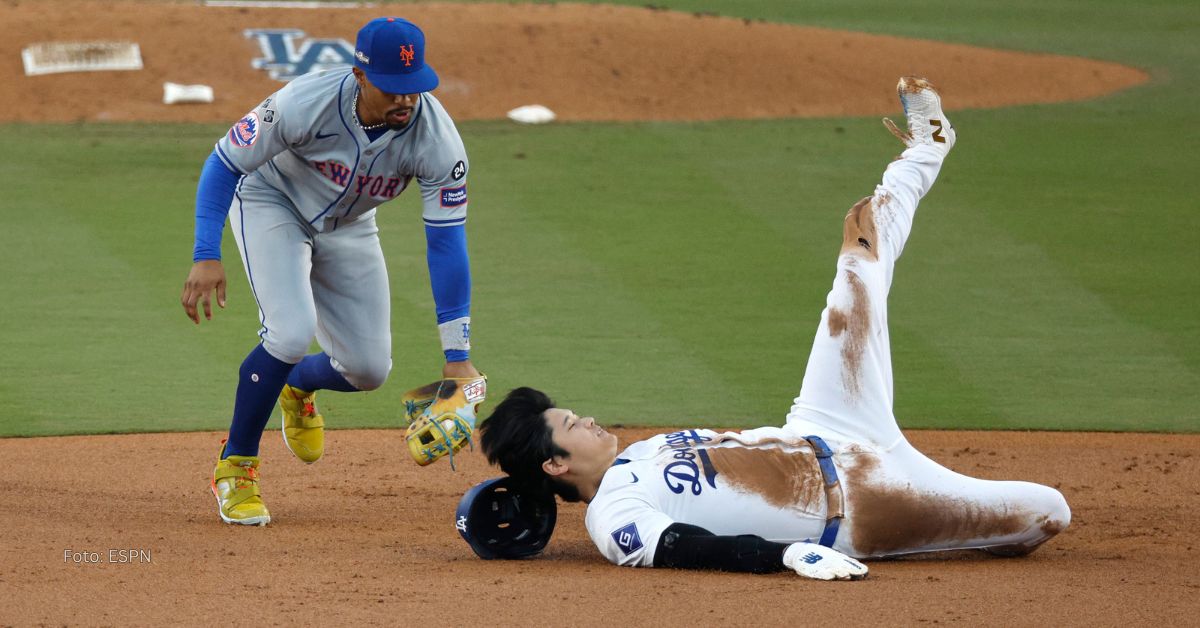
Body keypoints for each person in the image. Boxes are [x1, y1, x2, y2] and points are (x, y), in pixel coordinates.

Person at [473, 77, 1070, 580]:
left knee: (856, 264)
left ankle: (926, 150)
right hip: (868, 505)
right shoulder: (614, 517)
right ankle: (960, 529)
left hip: (827, 423)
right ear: (555, 465)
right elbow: (684, 548)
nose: (589, 419)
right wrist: (783, 555)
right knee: (1049, 511)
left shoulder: (648, 451)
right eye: (572, 425)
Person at [180, 17, 482, 526]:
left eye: (415, 88)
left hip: (349, 224)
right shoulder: (303, 102)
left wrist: (459, 359)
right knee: (290, 331)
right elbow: (224, 163)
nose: (406, 100)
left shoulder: (438, 142)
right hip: (269, 202)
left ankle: (295, 385)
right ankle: (236, 466)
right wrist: (206, 253)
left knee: (368, 370)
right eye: (393, 88)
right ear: (361, 75)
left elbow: (446, 244)